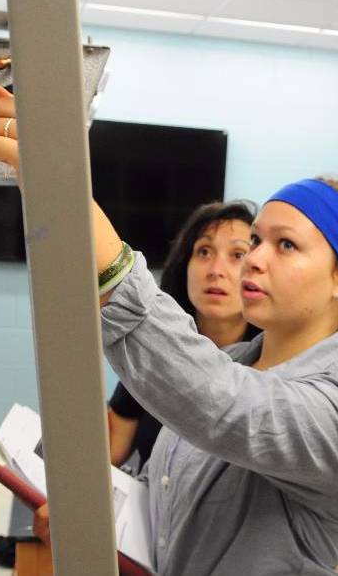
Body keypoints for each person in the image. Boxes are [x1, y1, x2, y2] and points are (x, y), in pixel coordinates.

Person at [0, 81, 338, 576]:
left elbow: (226, 406)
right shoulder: (233, 364)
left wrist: (69, 200)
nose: (253, 260)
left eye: (285, 246)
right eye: (257, 240)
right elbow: (170, 504)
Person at [109, 200, 261, 472]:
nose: (216, 270)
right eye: (204, 251)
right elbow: (110, 448)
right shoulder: (156, 345)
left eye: (238, 255)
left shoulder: (270, 360)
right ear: (184, 265)